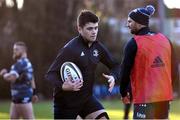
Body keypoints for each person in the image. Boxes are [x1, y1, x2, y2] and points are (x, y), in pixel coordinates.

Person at [45, 10, 120, 119]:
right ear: (79, 29)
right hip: (66, 104)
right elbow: (50, 74)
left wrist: (114, 76)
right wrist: (63, 86)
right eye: (89, 29)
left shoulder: (98, 47)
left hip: (86, 100)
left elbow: (115, 66)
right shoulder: (70, 49)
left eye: (96, 28)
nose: (94, 32)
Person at [119, 5, 174, 119]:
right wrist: (167, 87)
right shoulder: (165, 39)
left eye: (130, 21)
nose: (127, 24)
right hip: (164, 98)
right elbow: (174, 68)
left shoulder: (133, 43)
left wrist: (123, 93)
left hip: (144, 99)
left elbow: (124, 72)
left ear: (139, 23)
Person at [0, 41, 38, 119]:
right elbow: (32, 79)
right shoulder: (27, 63)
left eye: (16, 49)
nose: (14, 51)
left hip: (23, 100)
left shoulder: (21, 63)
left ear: (23, 51)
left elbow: (11, 77)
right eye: (14, 49)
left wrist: (4, 74)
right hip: (16, 100)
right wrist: (34, 93)